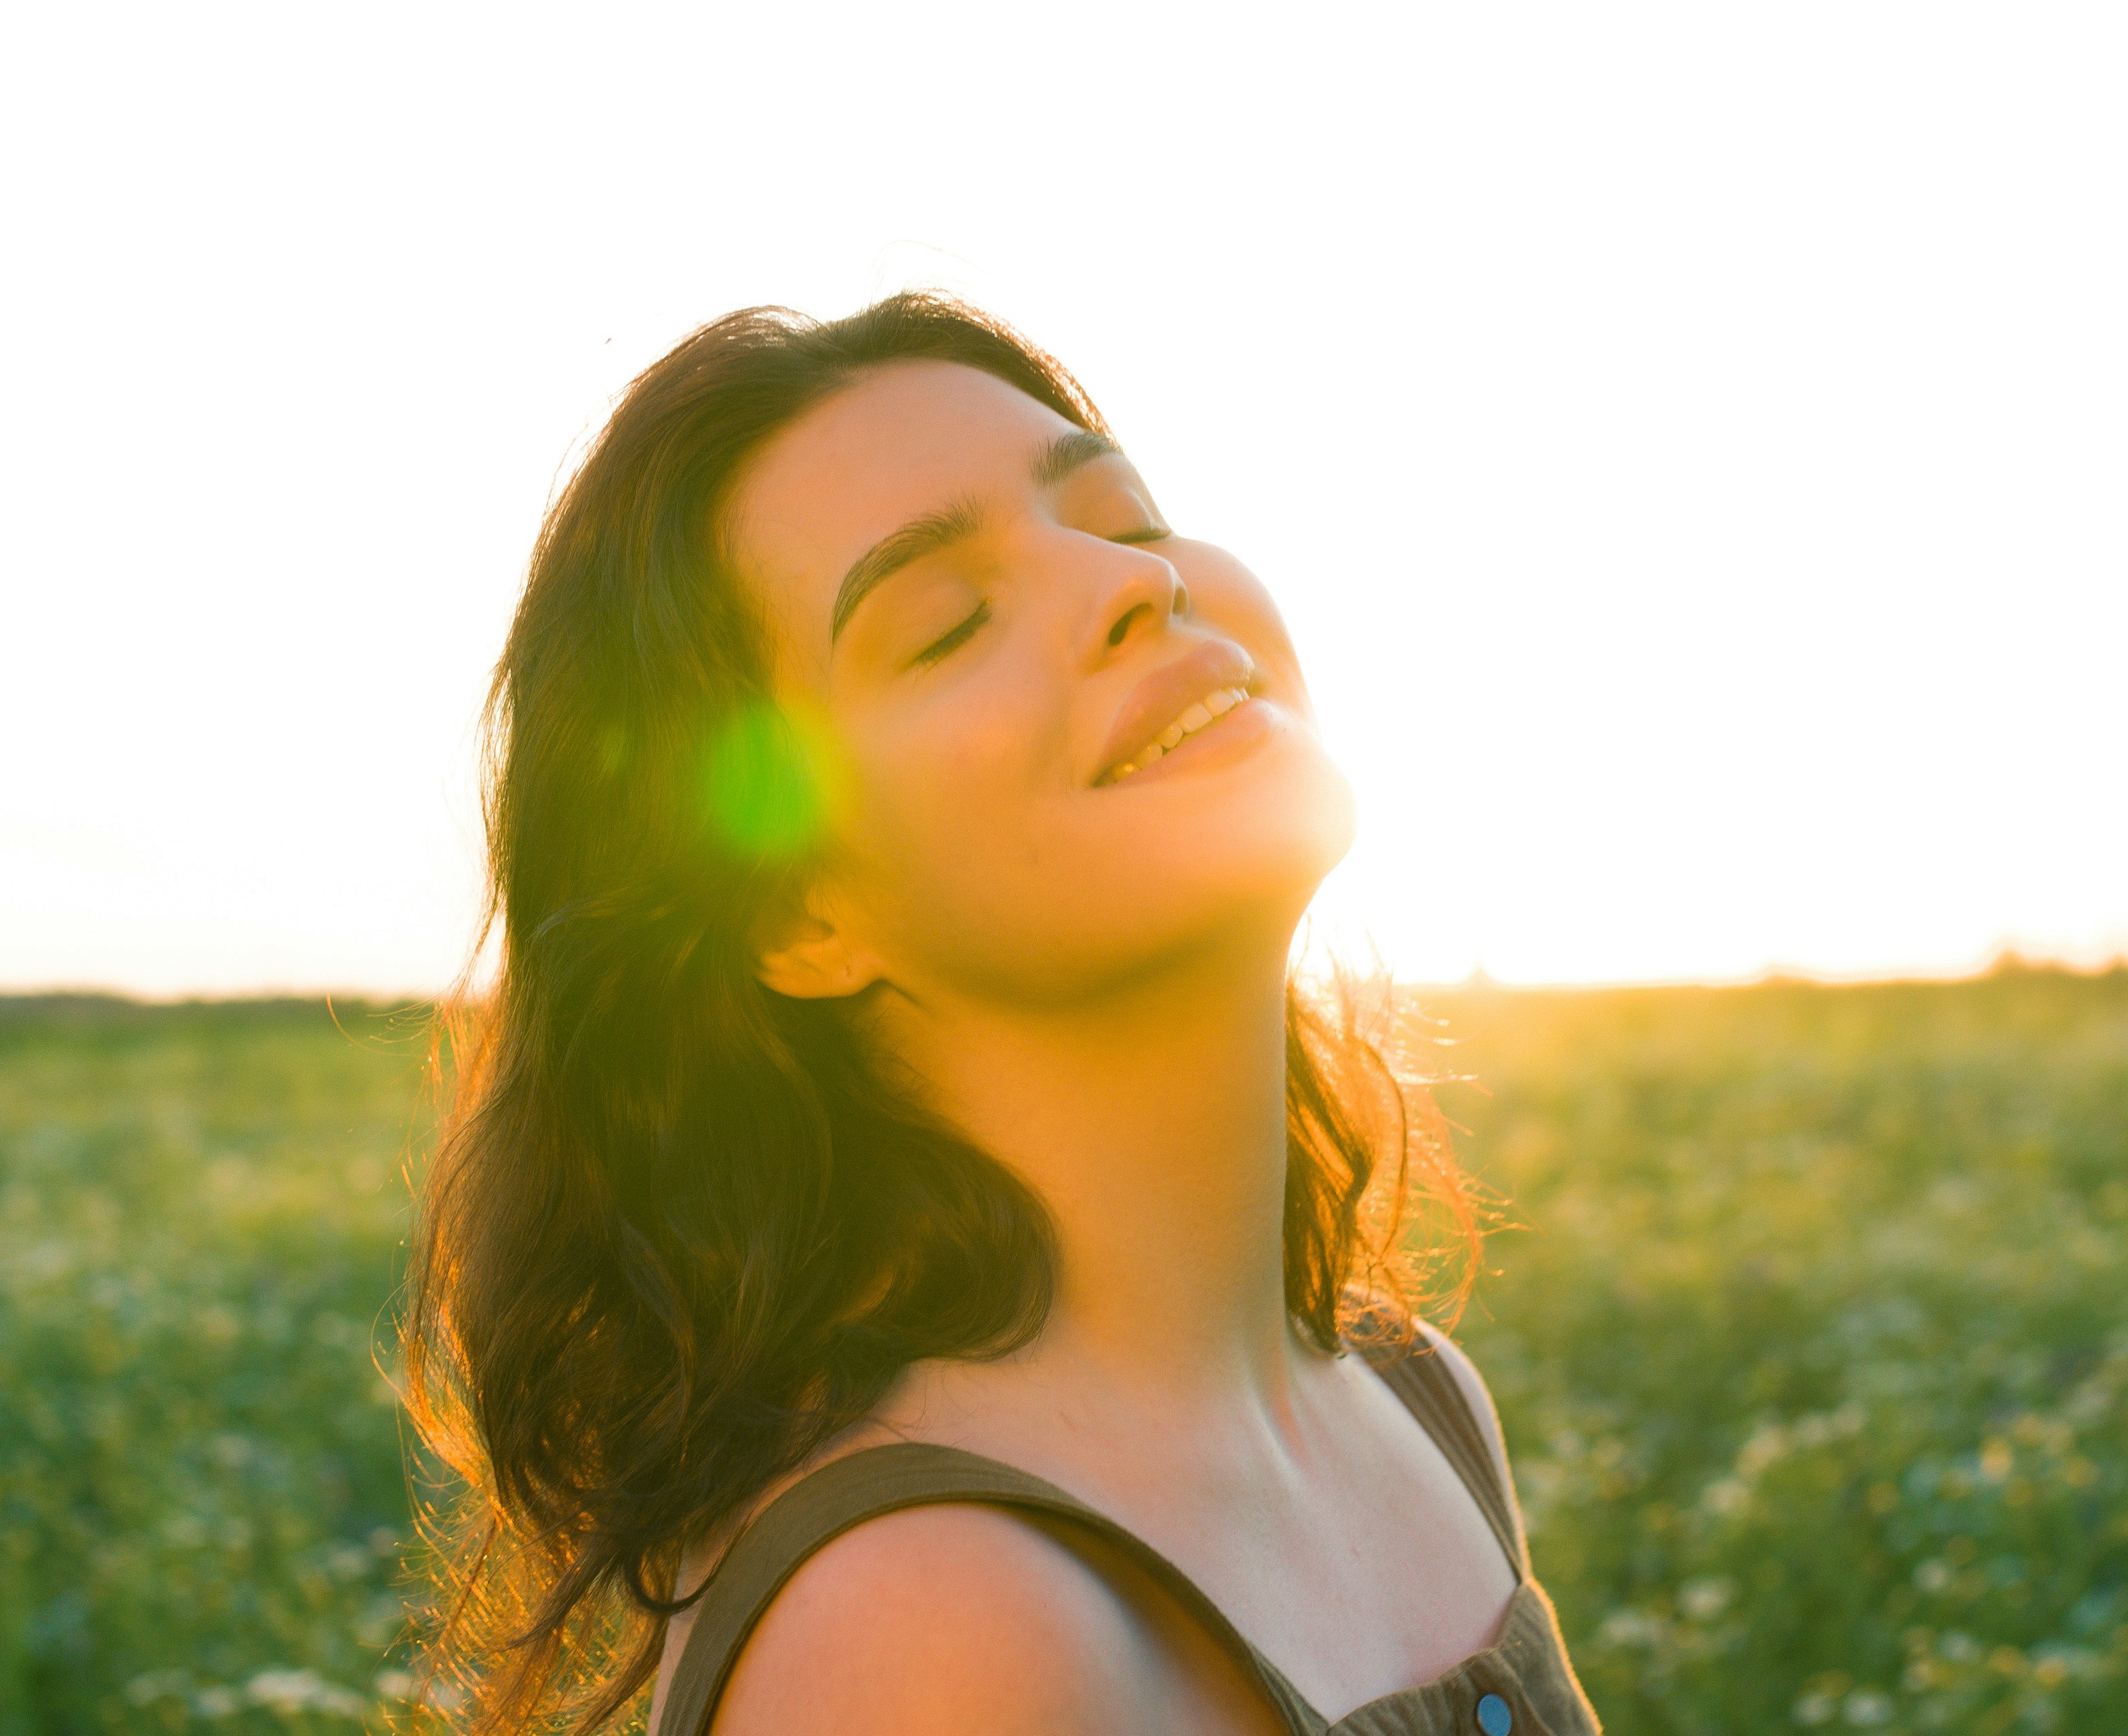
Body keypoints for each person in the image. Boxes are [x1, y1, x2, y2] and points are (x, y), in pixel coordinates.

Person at [402, 294, 1599, 1735]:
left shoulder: (1413, 1403)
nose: (1128, 587)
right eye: (947, 623)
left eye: (1128, 521)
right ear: (795, 914)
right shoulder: (924, 1636)